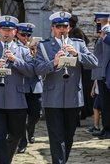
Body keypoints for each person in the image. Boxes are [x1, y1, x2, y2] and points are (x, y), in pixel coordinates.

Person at [34, 11, 98, 163]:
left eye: (65, 26)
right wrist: (54, 63)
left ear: (69, 28)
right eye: (58, 26)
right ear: (52, 28)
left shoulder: (78, 44)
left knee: (68, 136)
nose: (61, 29)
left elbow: (94, 63)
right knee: (56, 136)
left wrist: (77, 55)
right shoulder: (44, 46)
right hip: (52, 98)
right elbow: (37, 69)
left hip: (73, 97)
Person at [0, 16, 34, 163]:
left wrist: (15, 60)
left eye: (10, 30)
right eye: (4, 30)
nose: (6, 33)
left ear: (15, 32)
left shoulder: (23, 51)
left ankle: (6, 160)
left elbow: (31, 71)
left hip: (16, 100)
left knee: (16, 134)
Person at [15, 23, 43, 154]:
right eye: (23, 34)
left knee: (36, 114)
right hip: (21, 85)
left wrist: (36, 52)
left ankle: (30, 128)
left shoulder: (37, 48)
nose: (25, 37)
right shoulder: (14, 47)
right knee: (20, 116)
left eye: (28, 35)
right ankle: (22, 141)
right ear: (17, 34)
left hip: (35, 86)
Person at [91, 12, 110, 140]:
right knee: (104, 104)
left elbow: (106, 55)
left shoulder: (106, 31)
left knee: (106, 104)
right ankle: (106, 128)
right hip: (102, 73)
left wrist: (103, 74)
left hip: (105, 74)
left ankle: (107, 129)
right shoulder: (103, 32)